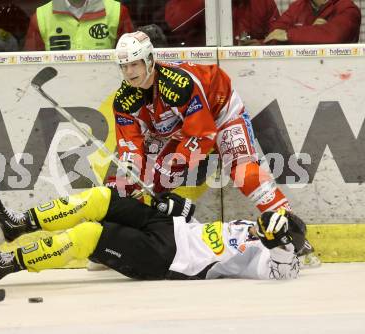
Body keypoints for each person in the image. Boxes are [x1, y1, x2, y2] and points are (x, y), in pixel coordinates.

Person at [109, 31, 320, 267]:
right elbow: (130, 142)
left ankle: (293, 234)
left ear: (149, 60)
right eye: (124, 66)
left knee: (246, 173)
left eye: (134, 64)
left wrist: (170, 167)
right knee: (129, 182)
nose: (129, 72)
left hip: (221, 115)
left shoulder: (178, 84)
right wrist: (131, 166)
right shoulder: (124, 99)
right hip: (182, 128)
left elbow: (202, 135)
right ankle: (117, 237)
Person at [0, 187, 304, 281]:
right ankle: (18, 224)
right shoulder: (254, 229)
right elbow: (207, 234)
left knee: (88, 235)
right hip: (173, 229)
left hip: (167, 258)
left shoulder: (263, 257)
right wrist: (179, 211)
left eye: (279, 225)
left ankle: (8, 263)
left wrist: (281, 246)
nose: (270, 220)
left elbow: (283, 272)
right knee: (100, 199)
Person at [24, 0, 134, 51]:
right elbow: (29, 66)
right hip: (56, 90)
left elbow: (133, 59)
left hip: (108, 90)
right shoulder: (41, 16)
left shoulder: (117, 11)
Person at [264, 0, 361, 44]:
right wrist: (314, 31)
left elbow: (334, 36)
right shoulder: (297, 7)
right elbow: (274, 35)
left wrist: (289, 35)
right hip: (299, 71)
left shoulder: (347, 9)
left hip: (339, 74)